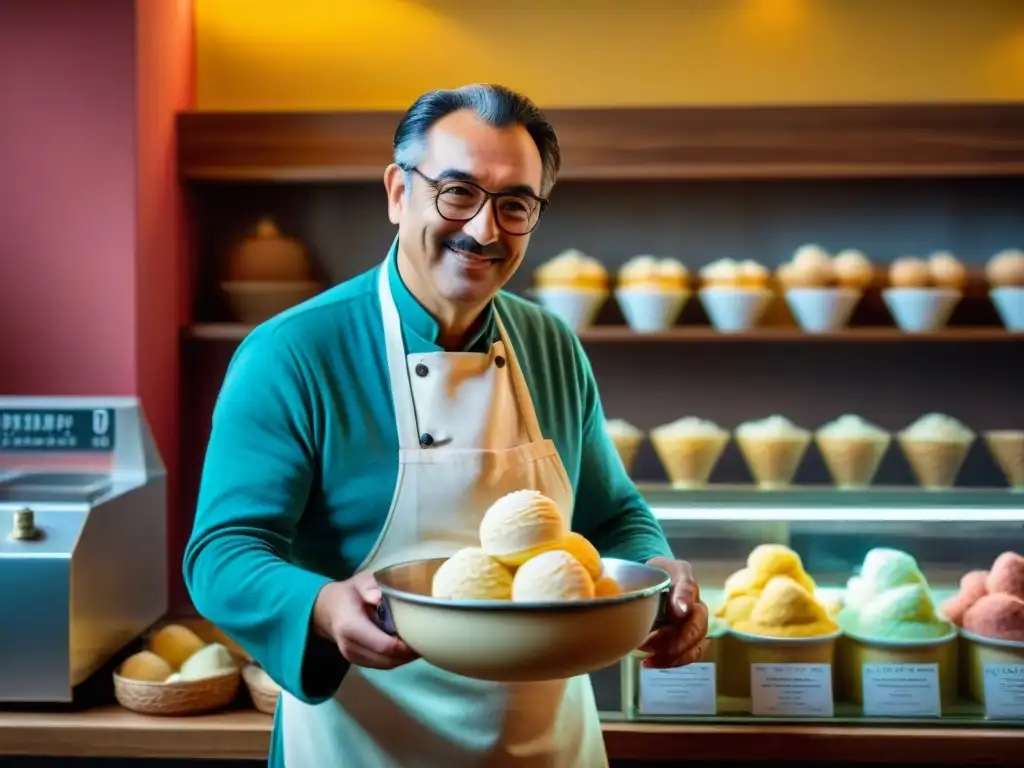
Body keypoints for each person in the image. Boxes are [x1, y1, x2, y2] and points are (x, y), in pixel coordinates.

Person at [184, 83, 709, 768]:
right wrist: (321, 605)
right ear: (399, 192)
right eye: (457, 192)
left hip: (548, 746)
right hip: (362, 743)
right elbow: (223, 552)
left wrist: (658, 574)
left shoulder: (551, 343)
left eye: (515, 205)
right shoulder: (294, 354)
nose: (484, 231)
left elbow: (614, 517)